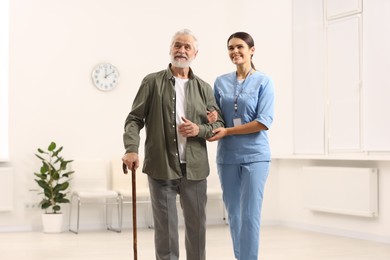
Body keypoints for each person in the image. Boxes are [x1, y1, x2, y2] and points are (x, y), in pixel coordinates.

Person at [122, 29, 224, 260]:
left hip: (195, 169)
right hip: (161, 166)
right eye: (178, 45)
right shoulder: (151, 82)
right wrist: (131, 149)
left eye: (187, 47)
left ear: (195, 53)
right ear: (170, 49)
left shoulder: (204, 88)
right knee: (165, 230)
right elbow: (135, 119)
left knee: (197, 228)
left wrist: (200, 129)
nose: (182, 50)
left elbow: (217, 124)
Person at [207, 32, 274, 260]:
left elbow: (263, 122)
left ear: (251, 50)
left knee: (250, 214)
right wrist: (213, 119)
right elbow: (217, 117)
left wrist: (228, 131)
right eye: (230, 48)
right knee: (234, 214)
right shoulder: (220, 82)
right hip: (227, 156)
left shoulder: (264, 81)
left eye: (239, 47)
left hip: (255, 156)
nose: (235, 51)